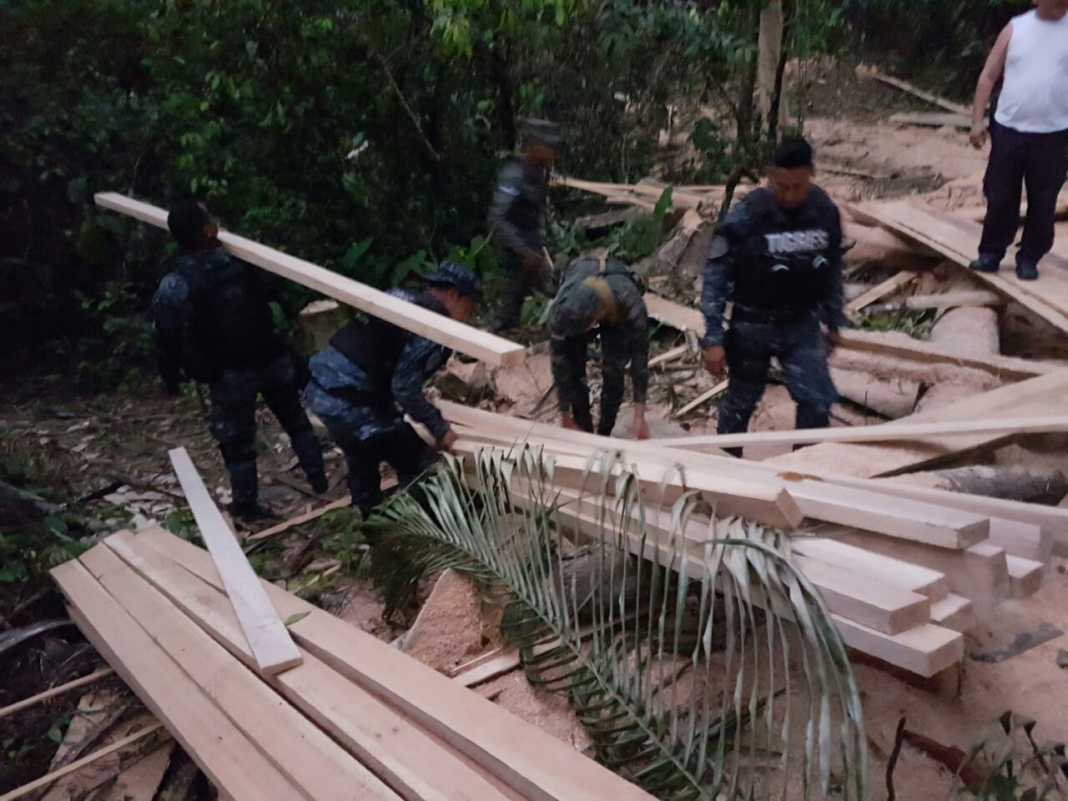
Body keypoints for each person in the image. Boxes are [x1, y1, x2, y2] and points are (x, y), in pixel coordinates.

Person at [152, 199, 327, 520]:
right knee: (296, 422)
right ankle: (321, 484)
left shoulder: (175, 284)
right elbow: (276, 292)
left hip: (228, 373)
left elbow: (166, 336)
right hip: (269, 357)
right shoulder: (243, 262)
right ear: (207, 229)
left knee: (237, 444)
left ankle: (246, 506)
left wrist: (171, 378)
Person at [700, 138, 844, 456]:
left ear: (811, 175)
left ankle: (805, 475)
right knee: (740, 404)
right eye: (781, 186)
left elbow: (833, 268)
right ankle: (725, 475)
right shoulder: (748, 215)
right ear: (769, 177)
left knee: (817, 401)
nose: (790, 195)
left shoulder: (823, 211)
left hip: (802, 323)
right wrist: (713, 336)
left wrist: (834, 320)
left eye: (798, 186)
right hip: (752, 324)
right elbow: (716, 272)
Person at [303, 263, 481, 518]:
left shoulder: (400, 297)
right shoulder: (431, 326)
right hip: (350, 400)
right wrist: (440, 430)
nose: (470, 314)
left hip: (320, 389)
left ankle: (371, 524)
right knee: (416, 461)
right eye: (470, 306)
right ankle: (441, 524)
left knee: (361, 456)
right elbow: (404, 389)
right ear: (454, 295)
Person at [968, 0, 1068, 281]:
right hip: (1009, 128)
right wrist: (977, 121)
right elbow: (988, 76)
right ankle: (991, 253)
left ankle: (1029, 257)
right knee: (1000, 195)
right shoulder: (1016, 29)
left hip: (1054, 133)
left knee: (1043, 201)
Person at [549, 252, 650, 439]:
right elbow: (560, 363)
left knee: (614, 370)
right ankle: (584, 431)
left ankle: (604, 434)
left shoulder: (630, 303)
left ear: (596, 316)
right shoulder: (562, 309)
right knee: (574, 372)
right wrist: (565, 415)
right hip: (580, 283)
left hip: (616, 305)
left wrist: (639, 416)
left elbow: (640, 360)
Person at [488, 119, 560, 332]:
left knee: (555, 289)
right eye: (548, 147)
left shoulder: (540, 173)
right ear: (535, 147)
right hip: (516, 250)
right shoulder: (514, 175)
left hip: (533, 247)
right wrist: (522, 250)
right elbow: (498, 218)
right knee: (511, 301)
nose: (552, 153)